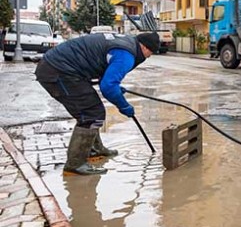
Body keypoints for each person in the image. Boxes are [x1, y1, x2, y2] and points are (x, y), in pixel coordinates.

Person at [35, 32, 160, 175]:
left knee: (93, 110)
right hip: (58, 71)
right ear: (144, 47)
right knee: (91, 114)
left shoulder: (126, 44)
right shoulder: (126, 55)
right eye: (150, 52)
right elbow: (108, 87)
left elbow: (104, 74)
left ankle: (94, 150)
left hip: (62, 67)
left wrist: (115, 88)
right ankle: (76, 164)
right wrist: (124, 105)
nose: (149, 56)